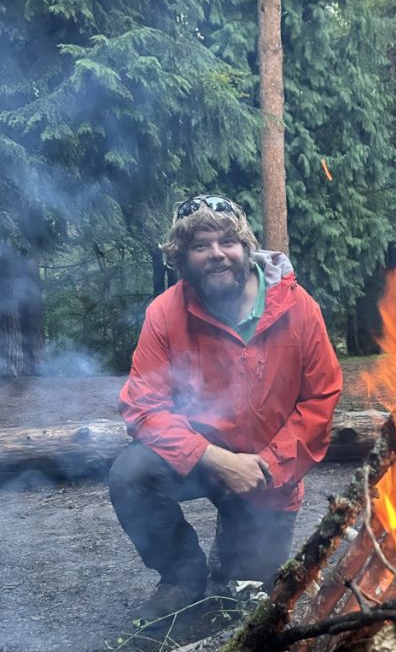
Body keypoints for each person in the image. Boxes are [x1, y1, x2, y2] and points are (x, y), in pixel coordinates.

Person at [109, 194, 342, 622]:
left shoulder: (297, 307)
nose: (216, 254)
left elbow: (320, 397)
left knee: (243, 602)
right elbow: (144, 407)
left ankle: (235, 546)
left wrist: (267, 465)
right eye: (200, 245)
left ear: (245, 246)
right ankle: (181, 577)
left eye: (227, 242)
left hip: (269, 473)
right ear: (182, 257)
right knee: (132, 474)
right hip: (200, 457)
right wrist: (212, 458)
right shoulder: (165, 314)